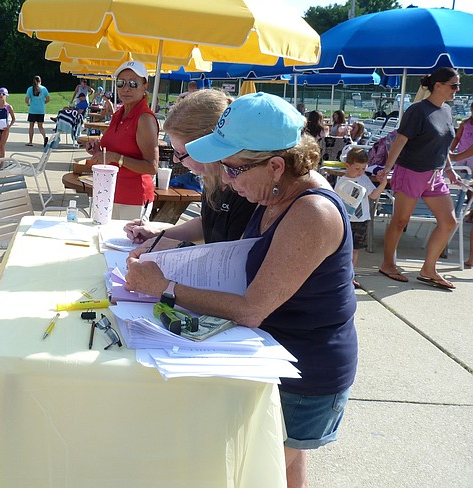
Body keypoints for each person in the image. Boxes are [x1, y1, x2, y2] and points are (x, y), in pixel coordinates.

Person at [124, 92, 357, 488]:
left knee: (250, 471)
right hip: (275, 355)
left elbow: (252, 309)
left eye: (231, 170)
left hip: (304, 372)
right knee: (282, 467)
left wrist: (164, 286)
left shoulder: (311, 211)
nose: (226, 180)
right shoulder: (277, 192)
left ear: (276, 165)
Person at [124, 89, 257, 255]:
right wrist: (158, 233)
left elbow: (236, 258)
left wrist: (178, 248)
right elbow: (206, 224)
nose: (175, 160)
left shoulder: (248, 190)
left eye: (180, 153)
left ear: (207, 148)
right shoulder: (212, 179)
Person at [377, 68, 462, 289]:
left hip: (435, 175)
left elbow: (443, 145)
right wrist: (387, 169)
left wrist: (449, 168)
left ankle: (428, 270)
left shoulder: (446, 111)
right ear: (438, 86)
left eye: (457, 85)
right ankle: (388, 264)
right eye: (453, 85)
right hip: (411, 172)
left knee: (449, 222)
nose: (457, 90)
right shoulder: (417, 111)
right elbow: (400, 141)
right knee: (401, 221)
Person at [85, 61, 158, 221]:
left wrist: (116, 157)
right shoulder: (119, 114)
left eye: (133, 83)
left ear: (145, 85)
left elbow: (152, 167)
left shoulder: (144, 118)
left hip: (133, 199)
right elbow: (111, 150)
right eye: (121, 83)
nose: (126, 88)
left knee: (127, 245)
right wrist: (97, 150)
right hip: (108, 193)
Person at [334, 147, 388, 287]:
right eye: (357, 168)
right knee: (341, 249)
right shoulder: (342, 182)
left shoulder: (364, 179)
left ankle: (350, 275)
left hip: (361, 219)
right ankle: (339, 274)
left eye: (363, 168)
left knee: (355, 249)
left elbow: (373, 195)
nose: (360, 171)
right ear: (347, 165)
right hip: (346, 220)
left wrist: (383, 185)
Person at [25, 75, 50, 147]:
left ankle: (30, 142)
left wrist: (29, 103)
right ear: (40, 81)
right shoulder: (44, 89)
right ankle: (45, 137)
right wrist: (43, 103)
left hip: (33, 110)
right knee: (40, 126)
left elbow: (26, 100)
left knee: (31, 126)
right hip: (41, 110)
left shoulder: (30, 89)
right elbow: (48, 99)